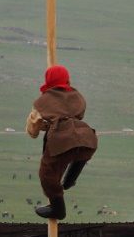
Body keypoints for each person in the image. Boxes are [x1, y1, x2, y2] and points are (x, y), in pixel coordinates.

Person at [26, 65, 98, 220]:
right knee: (79, 154)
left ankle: (58, 209)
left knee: (47, 175)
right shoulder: (77, 96)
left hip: (62, 142)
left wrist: (47, 124)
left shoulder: (41, 102)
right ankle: (70, 180)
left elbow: (33, 130)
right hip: (87, 138)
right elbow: (77, 115)